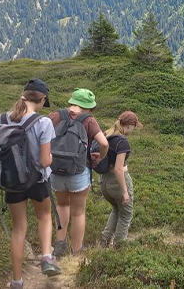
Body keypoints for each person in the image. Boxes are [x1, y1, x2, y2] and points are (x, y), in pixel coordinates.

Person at [0, 79, 61, 289]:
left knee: (18, 230)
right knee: (44, 216)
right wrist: (51, 157)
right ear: (41, 100)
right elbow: (44, 161)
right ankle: (47, 257)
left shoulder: (2, 118)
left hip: (11, 181)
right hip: (37, 181)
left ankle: (16, 281)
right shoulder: (43, 123)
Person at [49, 88, 109, 257]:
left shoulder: (55, 115)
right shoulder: (89, 120)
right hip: (79, 171)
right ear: (89, 107)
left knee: (61, 206)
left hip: (56, 170)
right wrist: (99, 158)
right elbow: (104, 143)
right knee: (78, 212)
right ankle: (76, 250)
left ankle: (60, 244)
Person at [99, 111, 143, 247]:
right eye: (134, 127)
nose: (133, 130)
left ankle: (104, 242)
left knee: (117, 210)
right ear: (129, 125)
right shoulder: (122, 142)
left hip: (104, 181)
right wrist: (125, 192)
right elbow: (118, 169)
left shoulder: (107, 135)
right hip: (117, 182)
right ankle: (119, 248)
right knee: (126, 214)